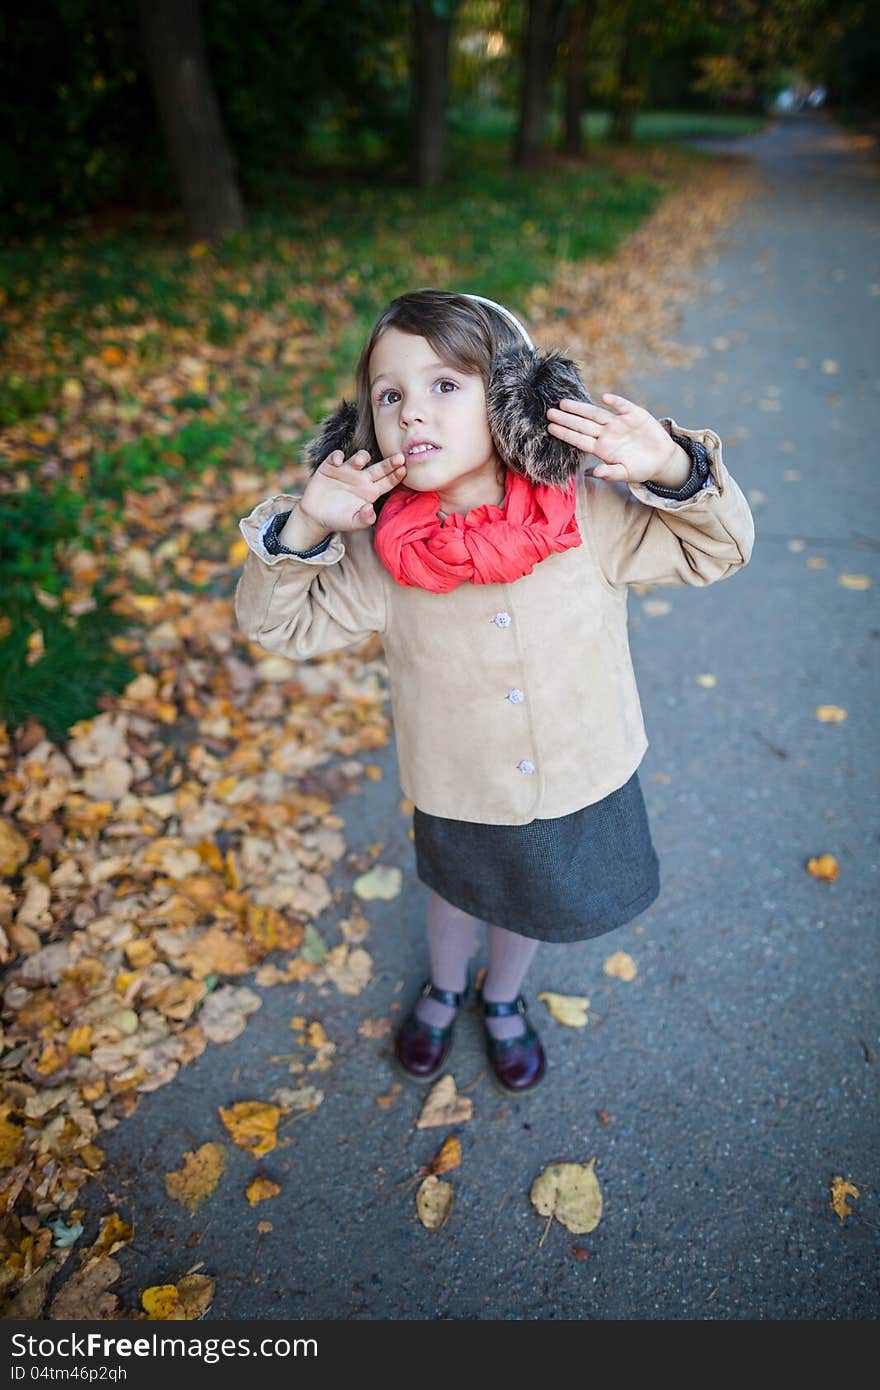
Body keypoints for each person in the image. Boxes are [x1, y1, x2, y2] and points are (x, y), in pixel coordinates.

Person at [234, 288, 755, 1097]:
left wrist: (673, 468)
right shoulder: (377, 554)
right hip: (460, 786)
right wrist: (305, 528)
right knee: (457, 895)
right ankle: (445, 986)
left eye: (445, 385)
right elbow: (279, 627)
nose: (413, 412)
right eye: (390, 395)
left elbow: (721, 548)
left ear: (515, 396)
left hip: (581, 770)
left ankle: (501, 996)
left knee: (527, 903)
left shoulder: (592, 515)